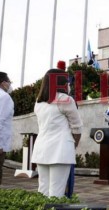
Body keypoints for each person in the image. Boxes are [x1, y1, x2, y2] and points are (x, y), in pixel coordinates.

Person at [31, 69, 83, 198]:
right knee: (57, 192)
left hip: (41, 149)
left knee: (43, 190)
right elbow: (77, 127)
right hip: (60, 150)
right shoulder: (65, 99)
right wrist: (74, 144)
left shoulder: (39, 102)